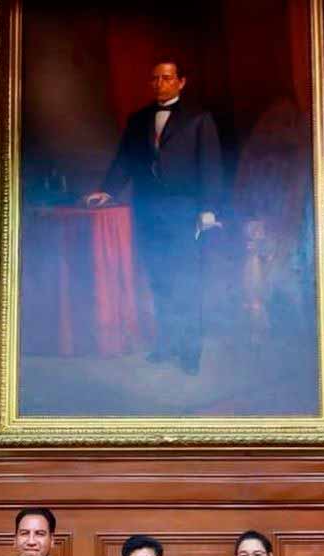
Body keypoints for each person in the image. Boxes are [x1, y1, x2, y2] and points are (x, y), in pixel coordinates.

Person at [86, 59, 222, 372]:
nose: (160, 83)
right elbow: (124, 160)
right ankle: (166, 344)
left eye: (167, 77)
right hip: (147, 209)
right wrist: (107, 190)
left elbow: (211, 165)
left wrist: (208, 208)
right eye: (156, 78)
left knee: (185, 281)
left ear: (181, 81)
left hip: (184, 210)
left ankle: (190, 351)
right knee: (158, 279)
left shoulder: (199, 118)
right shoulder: (138, 119)